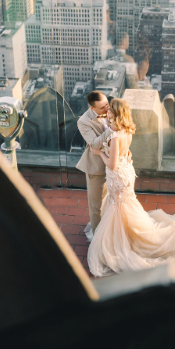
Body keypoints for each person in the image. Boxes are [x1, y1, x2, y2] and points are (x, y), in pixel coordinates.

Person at [88, 97, 175, 277]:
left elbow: (112, 164)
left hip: (118, 175)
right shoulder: (127, 130)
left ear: (116, 114)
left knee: (119, 207)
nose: (107, 112)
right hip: (127, 172)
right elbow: (127, 152)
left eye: (110, 110)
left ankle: (125, 240)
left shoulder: (116, 138)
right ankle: (127, 233)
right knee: (125, 206)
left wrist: (99, 152)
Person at [76, 91, 111, 239]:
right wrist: (112, 130)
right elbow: (94, 144)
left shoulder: (110, 111)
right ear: (92, 108)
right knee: (96, 204)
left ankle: (108, 228)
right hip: (96, 167)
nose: (107, 109)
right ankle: (98, 237)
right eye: (102, 107)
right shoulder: (83, 121)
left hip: (114, 165)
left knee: (109, 201)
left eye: (107, 104)